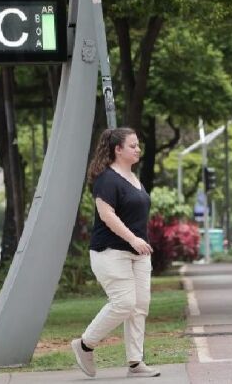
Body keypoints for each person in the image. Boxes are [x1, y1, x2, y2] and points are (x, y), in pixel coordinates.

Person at [71, 127, 160, 378]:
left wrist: (139, 243)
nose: (138, 149)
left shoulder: (134, 178)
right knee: (124, 303)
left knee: (140, 306)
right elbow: (107, 216)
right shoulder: (106, 179)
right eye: (132, 146)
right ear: (117, 149)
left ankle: (135, 362)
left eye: (138, 145)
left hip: (139, 253)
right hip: (111, 252)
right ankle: (85, 344)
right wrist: (133, 239)